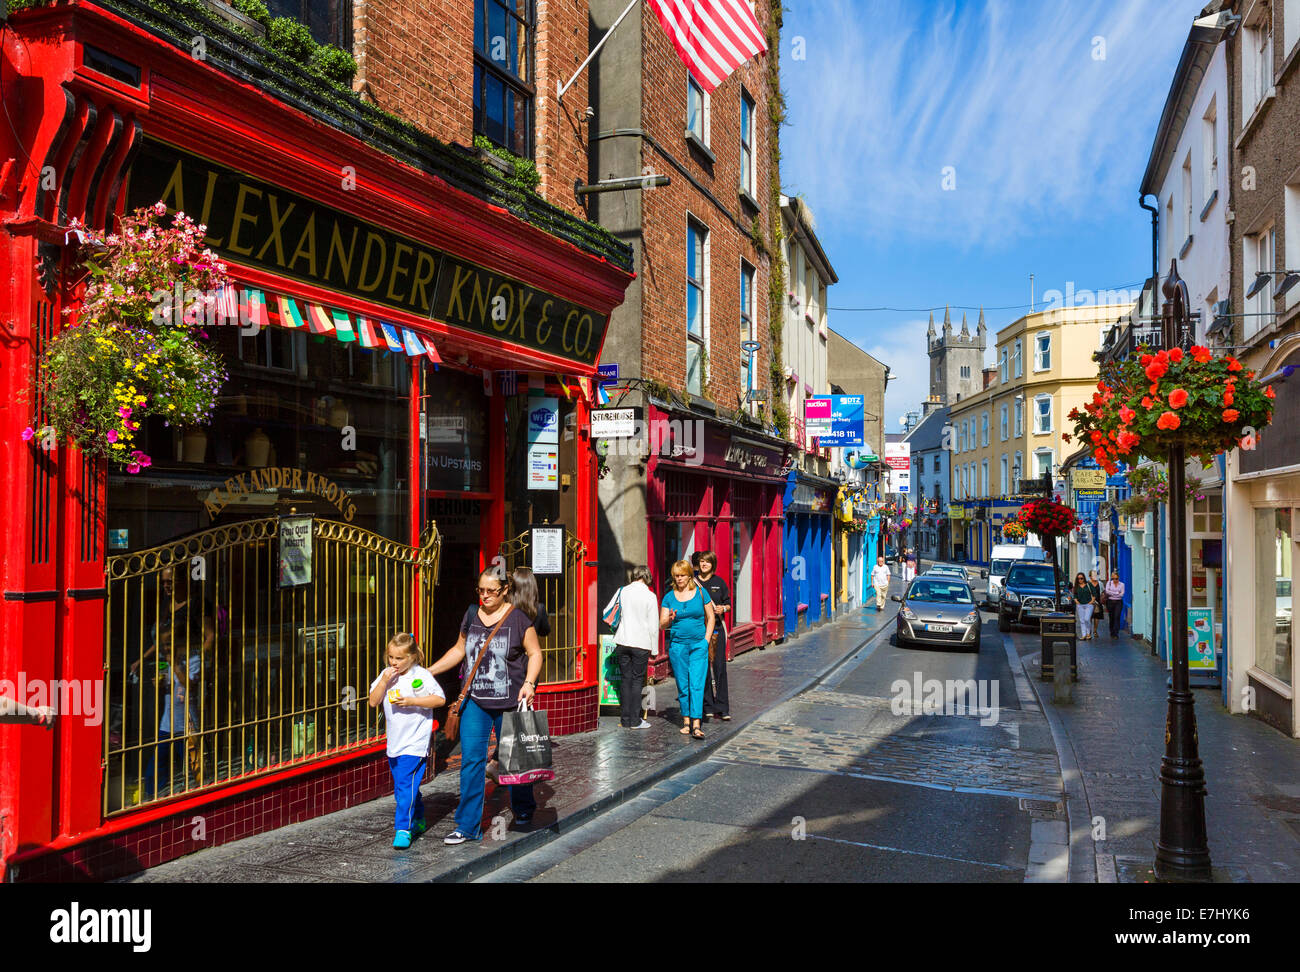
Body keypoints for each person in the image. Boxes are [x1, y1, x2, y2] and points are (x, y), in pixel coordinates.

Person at [428, 568, 543, 844]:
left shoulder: (518, 619)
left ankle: (524, 809)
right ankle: (467, 826)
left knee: (515, 760)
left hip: (510, 702)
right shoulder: (471, 615)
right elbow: (460, 649)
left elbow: (535, 653)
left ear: (505, 590)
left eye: (491, 590)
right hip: (475, 702)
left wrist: (529, 682)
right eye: (481, 590)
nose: (485, 596)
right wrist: (429, 671)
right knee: (471, 762)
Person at [369, 632, 446, 848]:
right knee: (406, 786)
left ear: (411, 657)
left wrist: (412, 700)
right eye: (391, 657)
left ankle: (403, 828)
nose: (394, 662)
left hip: (416, 742)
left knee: (404, 787)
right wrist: (384, 681)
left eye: (399, 658)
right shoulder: (386, 675)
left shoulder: (421, 675)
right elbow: (373, 702)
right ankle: (419, 817)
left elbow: (440, 699)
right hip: (395, 743)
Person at [660, 559, 715, 740]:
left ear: (689, 575)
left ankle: (697, 723)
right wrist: (669, 618)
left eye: (682, 575)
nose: (679, 579)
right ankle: (686, 721)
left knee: (697, 684)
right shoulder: (669, 597)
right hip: (678, 646)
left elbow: (711, 617)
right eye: (676, 576)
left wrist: (706, 640)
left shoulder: (700, 592)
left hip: (698, 645)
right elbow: (662, 625)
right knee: (683, 685)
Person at [603, 566, 659, 729]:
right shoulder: (650, 596)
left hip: (622, 641)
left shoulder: (623, 591)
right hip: (640, 644)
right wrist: (654, 650)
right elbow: (653, 626)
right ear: (647, 577)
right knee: (636, 681)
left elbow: (607, 611)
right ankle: (635, 720)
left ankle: (625, 719)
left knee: (625, 680)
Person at [696, 552, 732, 722]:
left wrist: (722, 609)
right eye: (702, 561)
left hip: (717, 630)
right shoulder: (693, 583)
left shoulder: (719, 582)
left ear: (713, 564)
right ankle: (708, 706)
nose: (704, 564)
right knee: (703, 669)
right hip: (699, 631)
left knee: (719, 668)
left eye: (707, 562)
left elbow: (729, 604)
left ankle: (722, 707)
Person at [1072, 572, 1096, 641]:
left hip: (1088, 605)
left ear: (1084, 578)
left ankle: (1088, 633)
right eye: (1078, 578)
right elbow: (1075, 595)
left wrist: (1091, 601)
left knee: (1087, 619)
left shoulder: (1089, 584)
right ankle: (1084, 635)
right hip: (1080, 605)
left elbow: (1094, 593)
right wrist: (1077, 602)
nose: (1080, 580)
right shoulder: (1076, 586)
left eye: (1081, 578)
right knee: (1082, 621)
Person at [1105, 570, 1126, 637]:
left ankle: (1116, 633)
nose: (1115, 580)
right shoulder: (1109, 583)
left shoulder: (1122, 584)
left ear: (1118, 578)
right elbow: (1107, 591)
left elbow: (1122, 594)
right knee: (1111, 617)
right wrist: (1117, 593)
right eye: (1113, 578)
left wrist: (1112, 593)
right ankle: (1112, 631)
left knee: (1117, 617)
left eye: (1116, 578)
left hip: (1118, 602)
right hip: (1110, 602)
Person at [1087, 570, 1104, 639]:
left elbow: (1102, 592)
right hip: (1089, 602)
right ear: (1090, 576)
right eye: (1093, 575)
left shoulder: (1100, 583)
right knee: (1089, 617)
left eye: (1096, 575)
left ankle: (1095, 631)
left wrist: (1102, 598)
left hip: (1097, 602)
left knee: (1097, 617)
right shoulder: (1087, 584)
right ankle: (1089, 631)